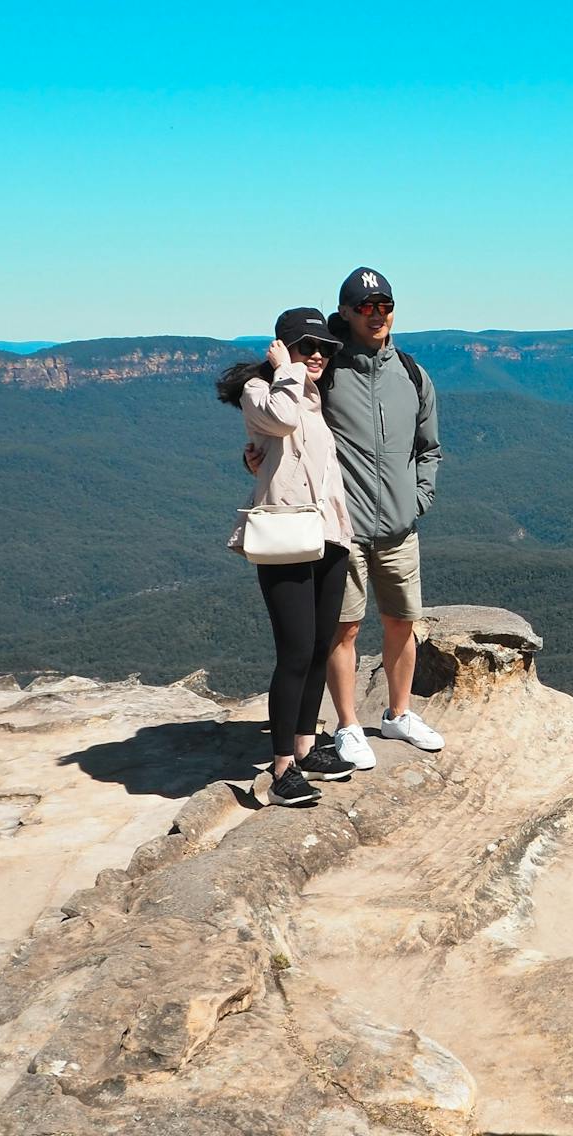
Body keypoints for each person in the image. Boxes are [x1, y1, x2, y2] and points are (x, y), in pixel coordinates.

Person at [250, 267, 444, 769]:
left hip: (401, 525)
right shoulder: (329, 369)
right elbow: (283, 422)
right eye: (364, 308)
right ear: (346, 313)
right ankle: (349, 725)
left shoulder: (412, 373)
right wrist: (255, 455)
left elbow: (430, 448)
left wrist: (418, 498)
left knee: (403, 622)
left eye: (384, 306)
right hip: (344, 529)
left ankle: (399, 714)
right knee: (344, 630)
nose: (376, 315)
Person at [220, 308, 359, 806]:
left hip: (328, 536)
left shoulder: (313, 396)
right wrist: (285, 371)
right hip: (284, 536)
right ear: (282, 347)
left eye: (324, 348)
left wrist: (253, 458)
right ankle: (281, 771)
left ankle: (305, 745)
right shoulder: (261, 392)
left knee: (321, 645)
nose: (318, 355)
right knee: (296, 651)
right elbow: (278, 422)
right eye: (306, 346)